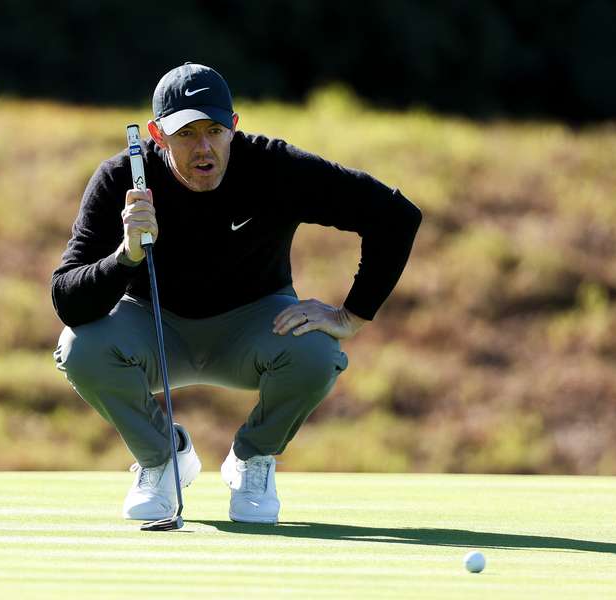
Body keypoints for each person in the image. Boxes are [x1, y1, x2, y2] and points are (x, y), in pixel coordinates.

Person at [51, 63, 421, 524]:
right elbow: (67, 299)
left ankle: (253, 458)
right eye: (186, 134)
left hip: (255, 323)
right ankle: (163, 459)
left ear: (234, 126)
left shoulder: (274, 167)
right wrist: (125, 256)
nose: (204, 147)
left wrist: (352, 315)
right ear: (156, 134)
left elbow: (396, 217)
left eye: (215, 130)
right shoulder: (121, 178)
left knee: (318, 353)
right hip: (154, 324)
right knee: (80, 348)